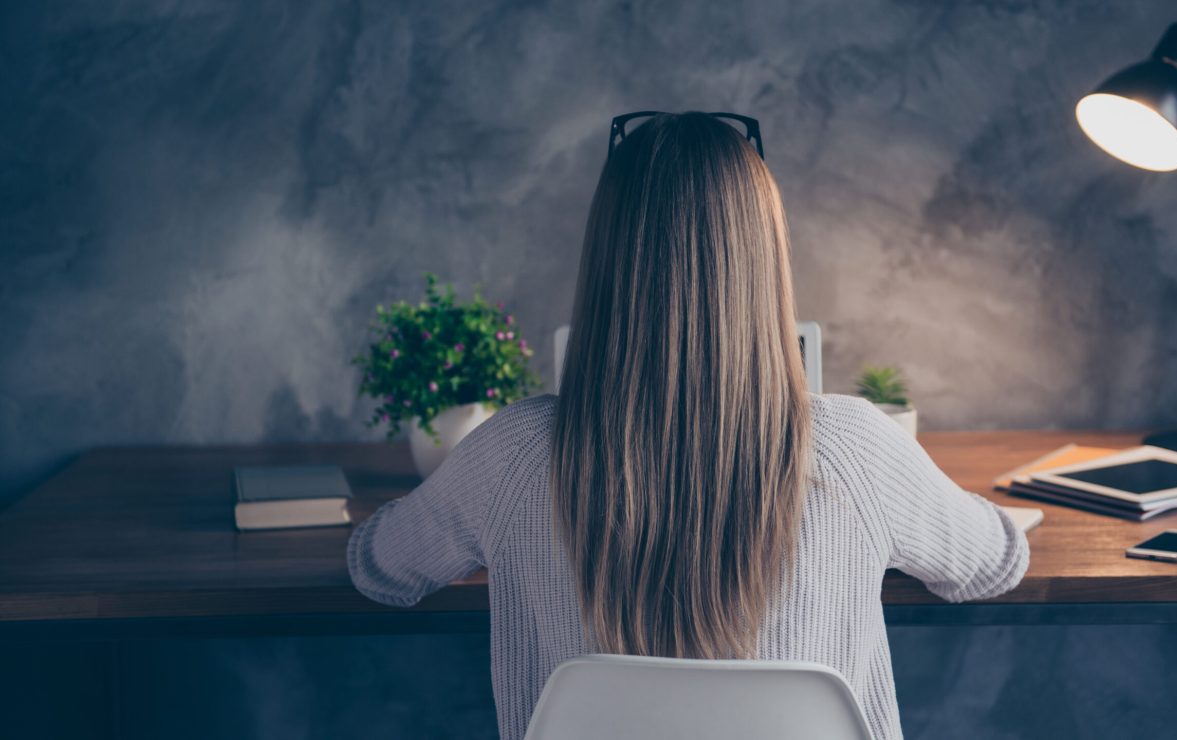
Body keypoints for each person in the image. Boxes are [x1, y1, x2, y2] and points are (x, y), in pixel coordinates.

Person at [348, 111, 1029, 739]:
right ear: (764, 261)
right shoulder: (856, 448)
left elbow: (380, 569)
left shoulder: (512, 452)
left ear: (608, 260)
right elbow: (993, 563)